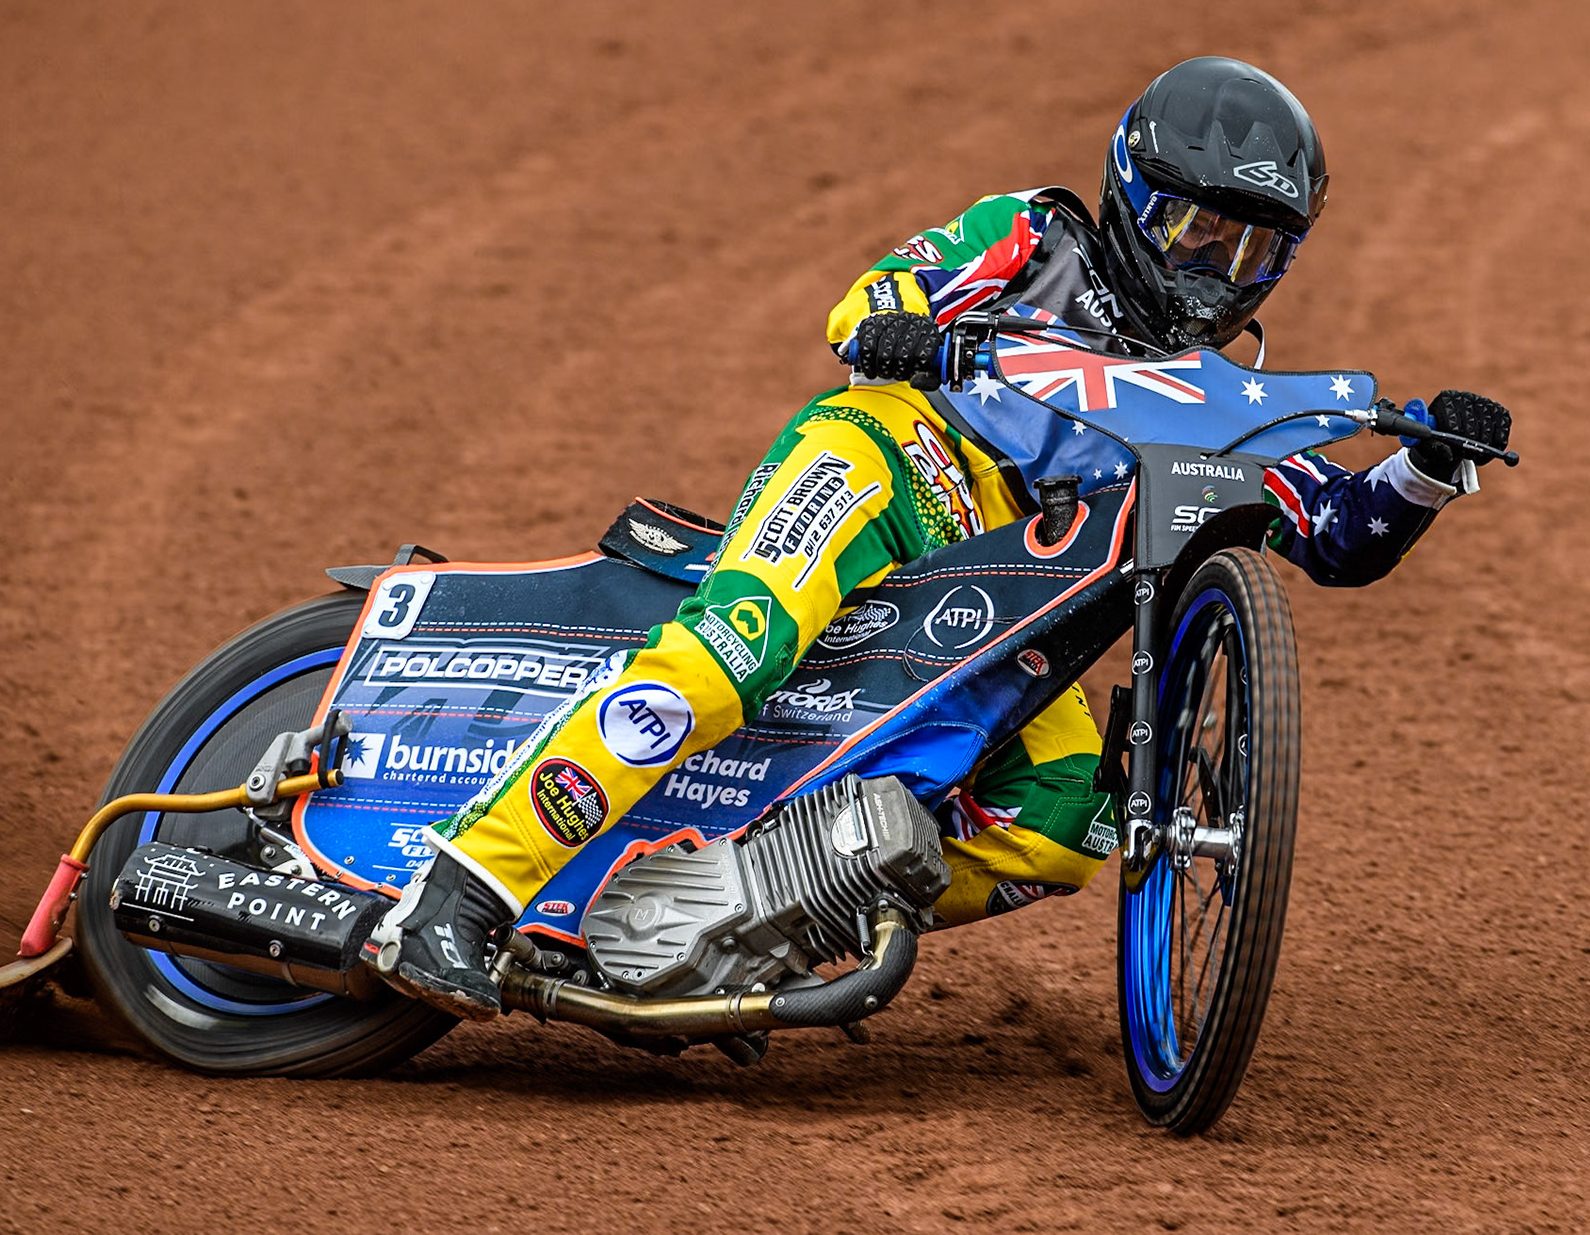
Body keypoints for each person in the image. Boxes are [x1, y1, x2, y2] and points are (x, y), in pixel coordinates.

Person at [365, 56, 1513, 1021]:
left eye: (1253, 251)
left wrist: (1428, 466)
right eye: (1197, 229)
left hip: (1003, 580)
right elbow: (864, 307)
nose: (1217, 269)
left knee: (1065, 819)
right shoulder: (1031, 235)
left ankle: (743, 911)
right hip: (886, 457)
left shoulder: (1226, 396)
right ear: (1131, 190)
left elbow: (1341, 535)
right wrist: (921, 336)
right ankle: (460, 891)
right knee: (730, 655)